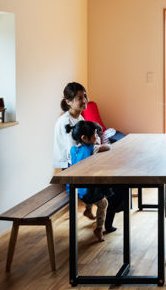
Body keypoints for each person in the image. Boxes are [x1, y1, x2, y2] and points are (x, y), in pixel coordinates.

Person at [53, 81, 125, 233]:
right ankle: (103, 215)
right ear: (68, 102)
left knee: (115, 180)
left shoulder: (79, 118)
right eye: (80, 98)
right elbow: (76, 152)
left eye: (85, 96)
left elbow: (88, 145)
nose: (84, 100)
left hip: (82, 162)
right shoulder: (65, 122)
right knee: (112, 185)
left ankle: (102, 214)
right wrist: (98, 148)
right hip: (71, 167)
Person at [68, 120, 110, 243]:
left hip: (75, 189)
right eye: (95, 135)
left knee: (89, 185)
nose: (96, 137)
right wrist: (98, 143)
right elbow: (108, 147)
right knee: (103, 203)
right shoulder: (93, 148)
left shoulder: (73, 149)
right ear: (84, 138)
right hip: (88, 190)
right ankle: (99, 228)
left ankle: (88, 208)